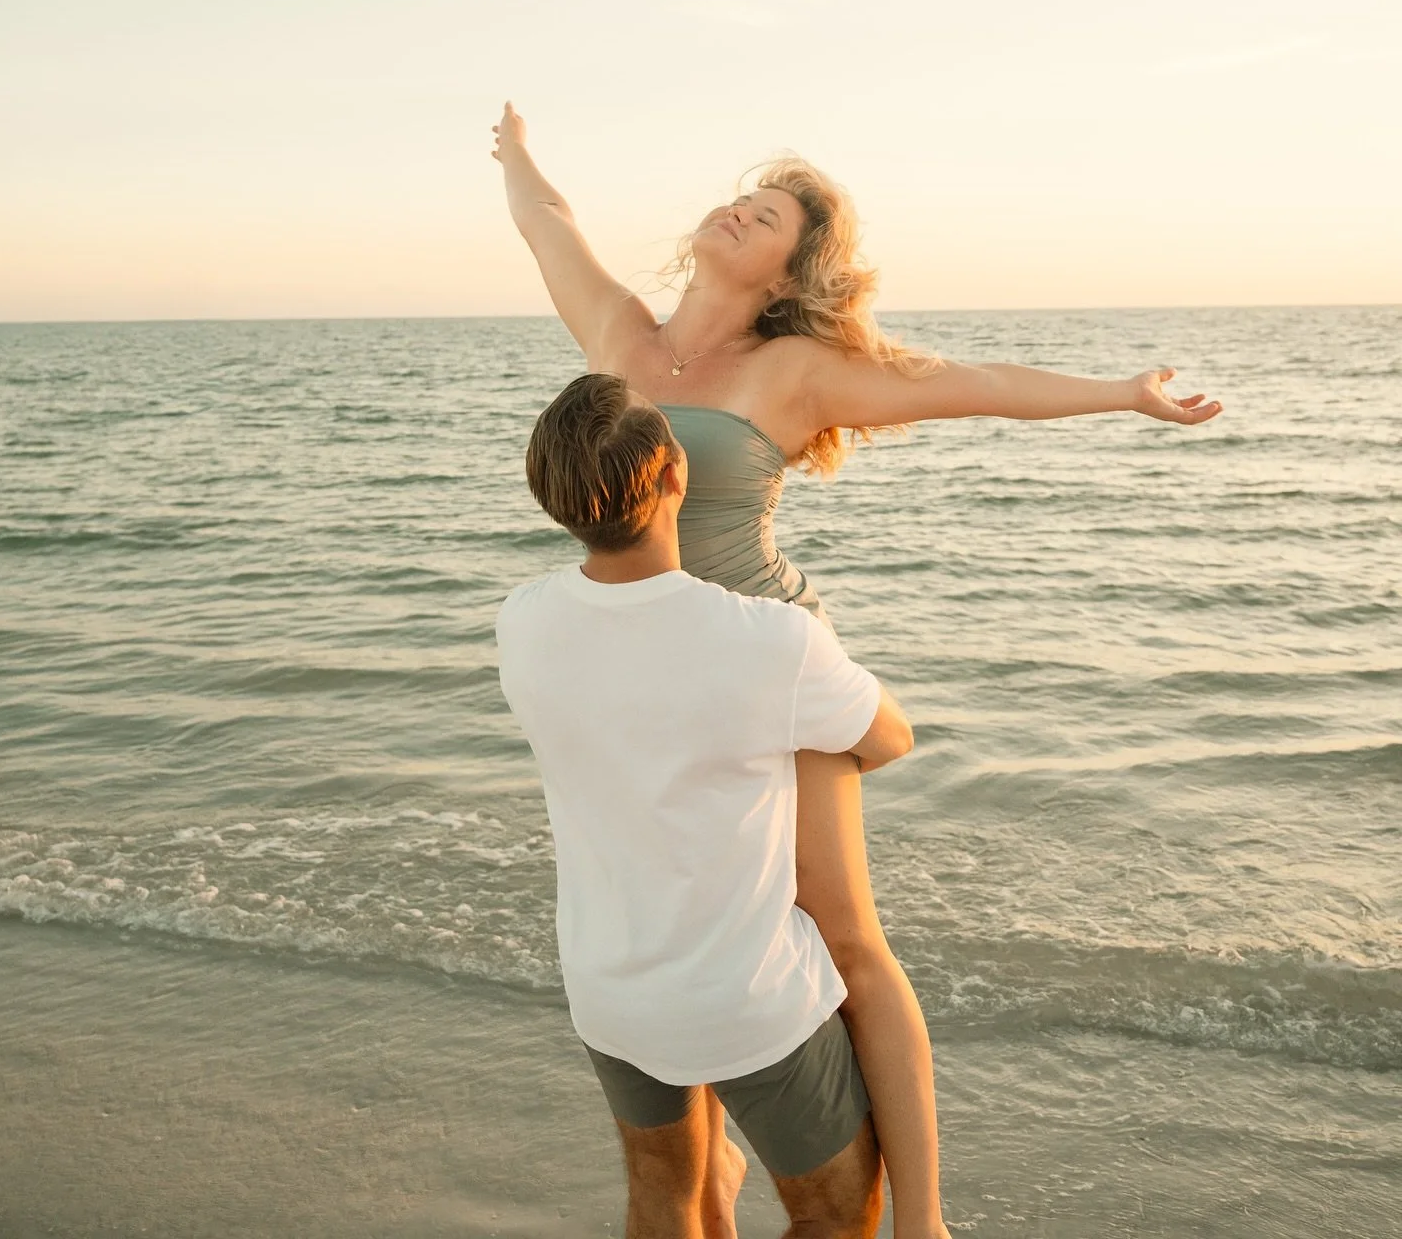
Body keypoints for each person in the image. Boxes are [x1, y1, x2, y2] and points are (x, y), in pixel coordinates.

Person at [492, 100, 1222, 1238]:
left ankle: (922, 1217)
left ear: (789, 272)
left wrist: (1123, 395)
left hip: (769, 669)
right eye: (740, 195)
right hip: (647, 663)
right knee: (670, 911)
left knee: (840, 932)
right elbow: (549, 228)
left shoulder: (797, 368)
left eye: (768, 213)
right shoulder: (621, 337)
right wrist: (517, 154)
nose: (739, 206)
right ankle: (703, 1158)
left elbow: (970, 382)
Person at [497, 371, 923, 1239]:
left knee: (666, 1190)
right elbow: (888, 738)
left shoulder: (524, 622)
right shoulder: (767, 641)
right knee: (839, 1212)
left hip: (609, 986)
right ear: (674, 475)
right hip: (745, 1000)